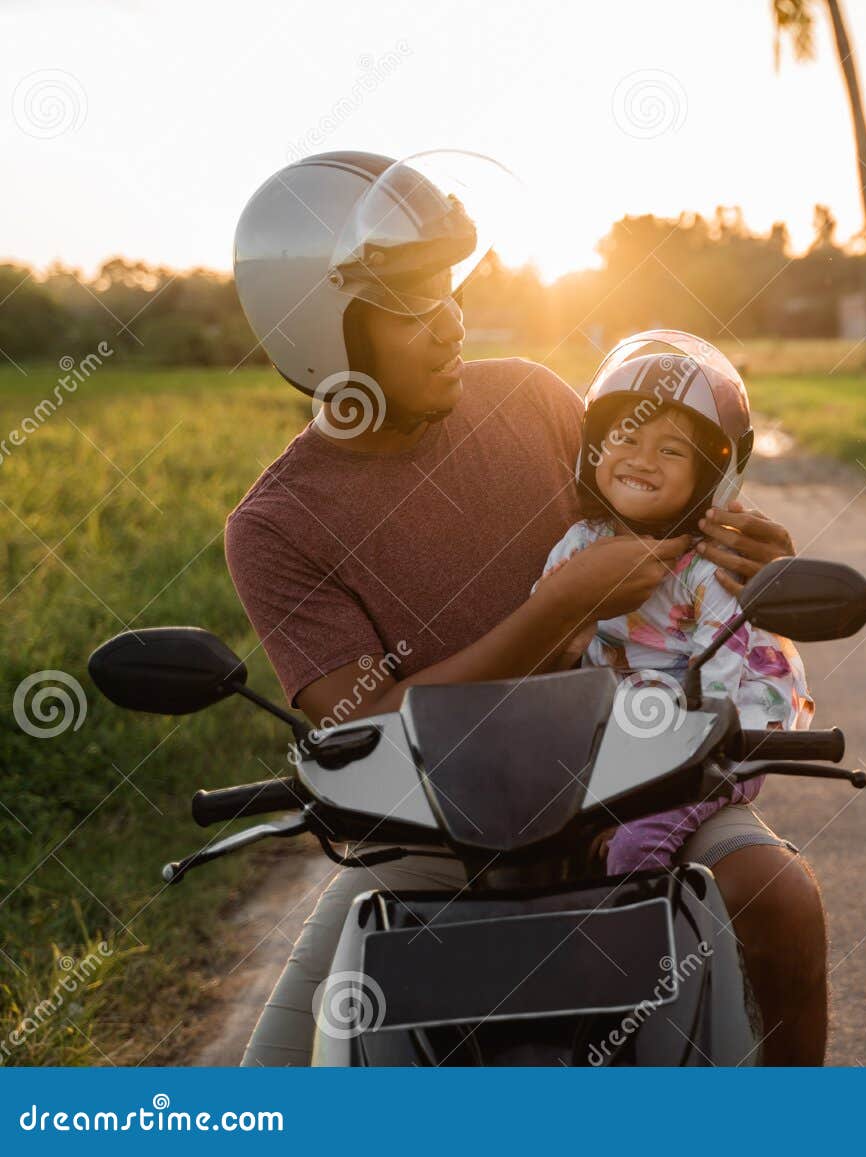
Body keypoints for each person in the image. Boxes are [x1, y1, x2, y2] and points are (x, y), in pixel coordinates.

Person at [225, 151, 828, 1065]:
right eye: (415, 307)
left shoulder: (535, 402)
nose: (451, 325)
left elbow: (672, 503)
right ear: (323, 332)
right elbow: (370, 722)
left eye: (451, 292)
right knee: (276, 1079)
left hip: (637, 784)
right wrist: (557, 610)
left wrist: (758, 566)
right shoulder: (275, 526)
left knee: (778, 896)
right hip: (435, 831)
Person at [535, 342, 813, 874]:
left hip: (721, 736)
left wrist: (653, 786)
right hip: (632, 732)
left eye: (670, 451)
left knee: (636, 851)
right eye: (626, 436)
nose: (641, 458)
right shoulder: (577, 545)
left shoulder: (710, 565)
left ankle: (634, 944)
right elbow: (545, 633)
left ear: (710, 475)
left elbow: (718, 685)